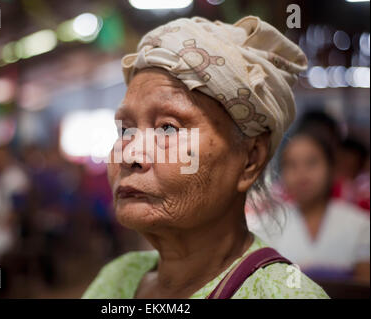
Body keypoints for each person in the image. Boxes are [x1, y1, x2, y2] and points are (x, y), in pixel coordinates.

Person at [82, 16, 328, 299]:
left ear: (250, 159)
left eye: (167, 128)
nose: (129, 154)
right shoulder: (118, 278)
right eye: (125, 129)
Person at [249, 130, 370, 283]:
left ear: (331, 168)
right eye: (291, 165)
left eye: (311, 162)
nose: (301, 173)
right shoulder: (267, 225)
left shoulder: (361, 225)